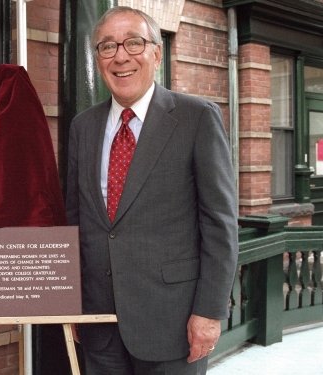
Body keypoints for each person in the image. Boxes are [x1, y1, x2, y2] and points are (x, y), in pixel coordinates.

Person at [66, 6, 239, 375]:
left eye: (134, 43)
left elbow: (220, 224)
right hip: (100, 324)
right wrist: (73, 301)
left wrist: (209, 312)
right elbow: (75, 219)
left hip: (173, 324)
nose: (121, 56)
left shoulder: (196, 118)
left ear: (156, 53)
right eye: (107, 47)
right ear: (97, 59)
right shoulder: (83, 127)